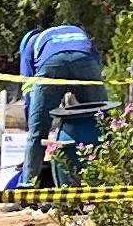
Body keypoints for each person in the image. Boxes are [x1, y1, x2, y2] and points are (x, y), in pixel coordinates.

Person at [14, 18, 103, 188]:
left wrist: (33, 125)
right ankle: (110, 176)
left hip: (52, 65)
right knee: (102, 122)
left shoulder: (31, 45)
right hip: (85, 59)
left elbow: (28, 90)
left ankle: (27, 185)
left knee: (38, 134)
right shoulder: (74, 31)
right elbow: (95, 58)